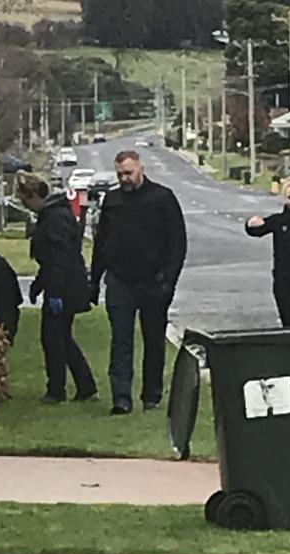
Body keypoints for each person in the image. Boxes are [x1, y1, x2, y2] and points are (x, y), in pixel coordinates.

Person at [90, 150, 187, 415]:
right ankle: (121, 397)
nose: (125, 179)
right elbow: (102, 242)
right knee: (120, 340)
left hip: (153, 280)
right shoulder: (113, 200)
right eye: (120, 174)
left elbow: (177, 242)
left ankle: (151, 396)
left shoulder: (162, 198)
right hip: (120, 280)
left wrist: (169, 279)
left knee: (153, 339)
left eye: (129, 173)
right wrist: (94, 278)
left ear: (140, 169)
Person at [15, 171, 97, 404]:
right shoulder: (53, 215)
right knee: (61, 337)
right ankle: (84, 385)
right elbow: (51, 258)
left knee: (53, 337)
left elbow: (60, 259)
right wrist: (39, 284)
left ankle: (57, 389)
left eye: (24, 200)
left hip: (64, 284)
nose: (25, 206)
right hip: (62, 282)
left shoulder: (55, 218)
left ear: (34, 196)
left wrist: (55, 293)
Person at [245, 177, 290, 329]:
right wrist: (251, 223)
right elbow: (256, 230)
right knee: (289, 325)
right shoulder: (278, 221)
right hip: (284, 281)